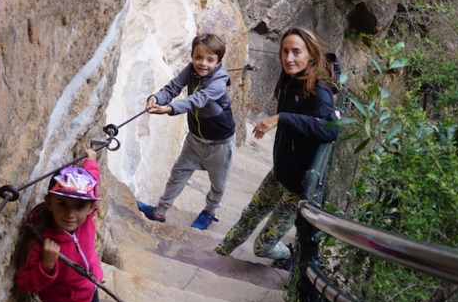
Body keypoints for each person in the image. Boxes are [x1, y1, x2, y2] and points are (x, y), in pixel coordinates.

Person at [214, 26, 339, 265]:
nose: (289, 58)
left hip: (297, 187)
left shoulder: (319, 89)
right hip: (280, 172)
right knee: (249, 215)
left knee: (263, 247)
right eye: (285, 51)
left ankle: (289, 256)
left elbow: (331, 129)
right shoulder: (292, 80)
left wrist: (282, 118)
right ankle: (218, 254)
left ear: (311, 55)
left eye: (296, 52)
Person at [15, 151, 135, 302]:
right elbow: (24, 282)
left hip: (88, 289)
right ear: (49, 202)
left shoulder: (87, 220)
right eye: (62, 204)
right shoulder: (42, 241)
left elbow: (93, 179)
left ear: (92, 207)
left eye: (79, 206)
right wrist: (46, 266)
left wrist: (91, 160)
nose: (70, 214)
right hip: (58, 301)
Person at [136, 32, 236, 231]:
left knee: (218, 183)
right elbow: (173, 87)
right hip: (195, 138)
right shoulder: (191, 70)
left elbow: (197, 100)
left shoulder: (218, 83)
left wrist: (169, 109)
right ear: (192, 56)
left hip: (220, 143)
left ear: (218, 62)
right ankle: (159, 212)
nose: (203, 63)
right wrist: (157, 98)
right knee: (178, 174)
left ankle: (209, 212)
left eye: (210, 59)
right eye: (198, 57)